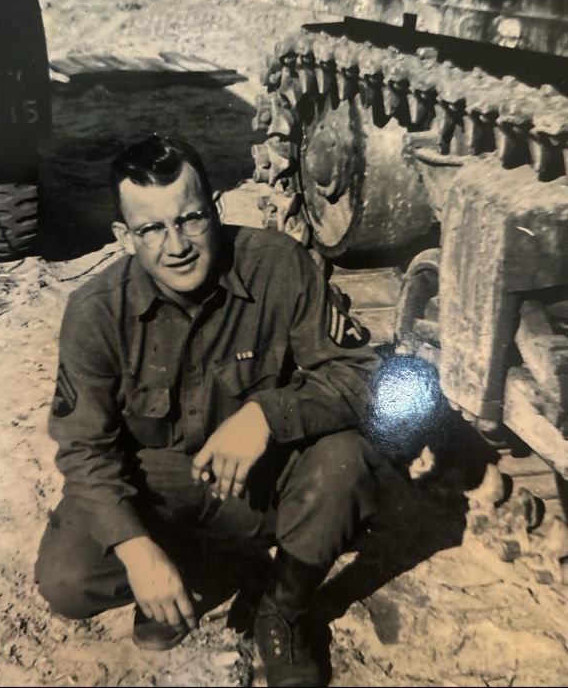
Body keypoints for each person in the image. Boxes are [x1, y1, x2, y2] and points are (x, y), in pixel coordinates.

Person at [35, 133, 380, 688]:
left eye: (191, 219)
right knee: (67, 581)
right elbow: (85, 448)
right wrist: (138, 550)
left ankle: (282, 612)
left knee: (347, 460)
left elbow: (361, 377)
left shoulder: (280, 266)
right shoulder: (96, 313)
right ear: (125, 237)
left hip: (260, 481)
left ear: (216, 208)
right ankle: (184, 567)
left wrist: (267, 415)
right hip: (161, 486)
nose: (177, 246)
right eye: (151, 229)